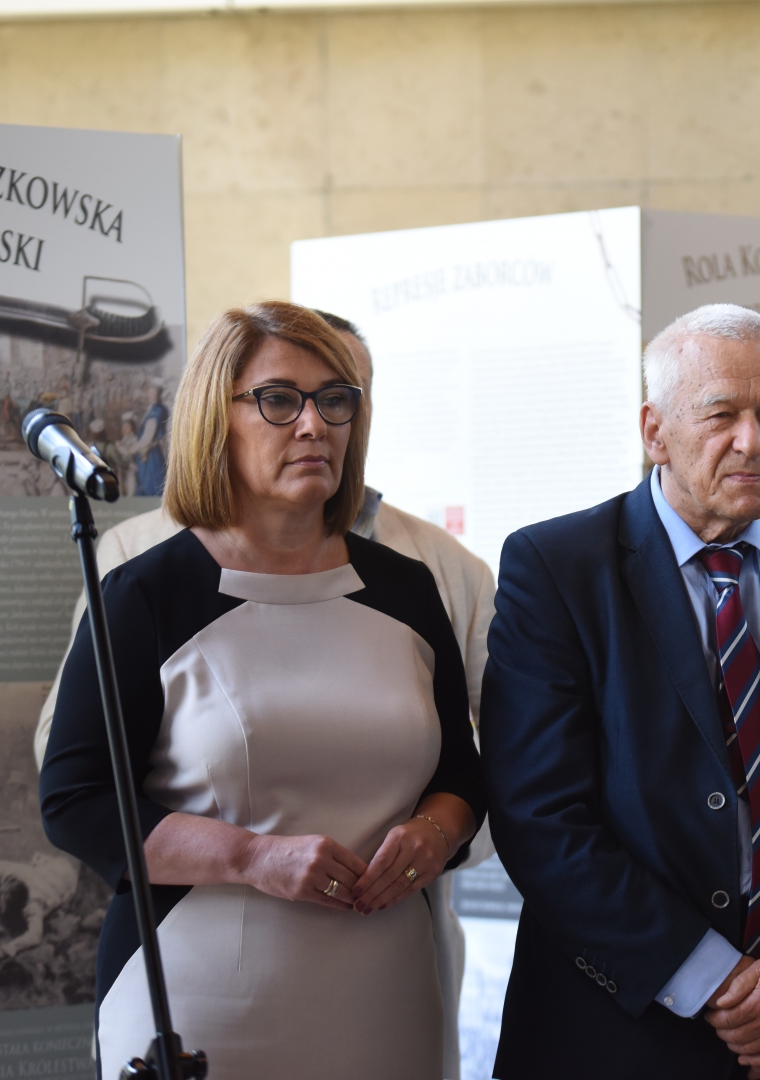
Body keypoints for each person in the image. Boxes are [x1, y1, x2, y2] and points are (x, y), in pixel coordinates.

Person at [31, 311, 497, 1078]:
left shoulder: (410, 588)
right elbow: (76, 799)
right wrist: (251, 857)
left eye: (334, 400)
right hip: (196, 997)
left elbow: (462, 774)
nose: (314, 425)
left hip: (388, 993)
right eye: (279, 400)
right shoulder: (143, 594)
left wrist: (435, 834)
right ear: (215, 419)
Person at [478, 304, 760, 1078]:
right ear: (654, 431)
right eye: (722, 414)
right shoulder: (558, 570)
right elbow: (539, 817)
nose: (753, 441)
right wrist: (725, 988)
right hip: (622, 1034)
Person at [131, 379, 169, 497]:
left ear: (158, 394)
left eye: (153, 392)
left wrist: (135, 448)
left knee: (151, 486)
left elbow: (148, 437)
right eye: (150, 391)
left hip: (151, 454)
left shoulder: (157, 410)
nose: (150, 394)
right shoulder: (153, 408)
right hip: (148, 452)